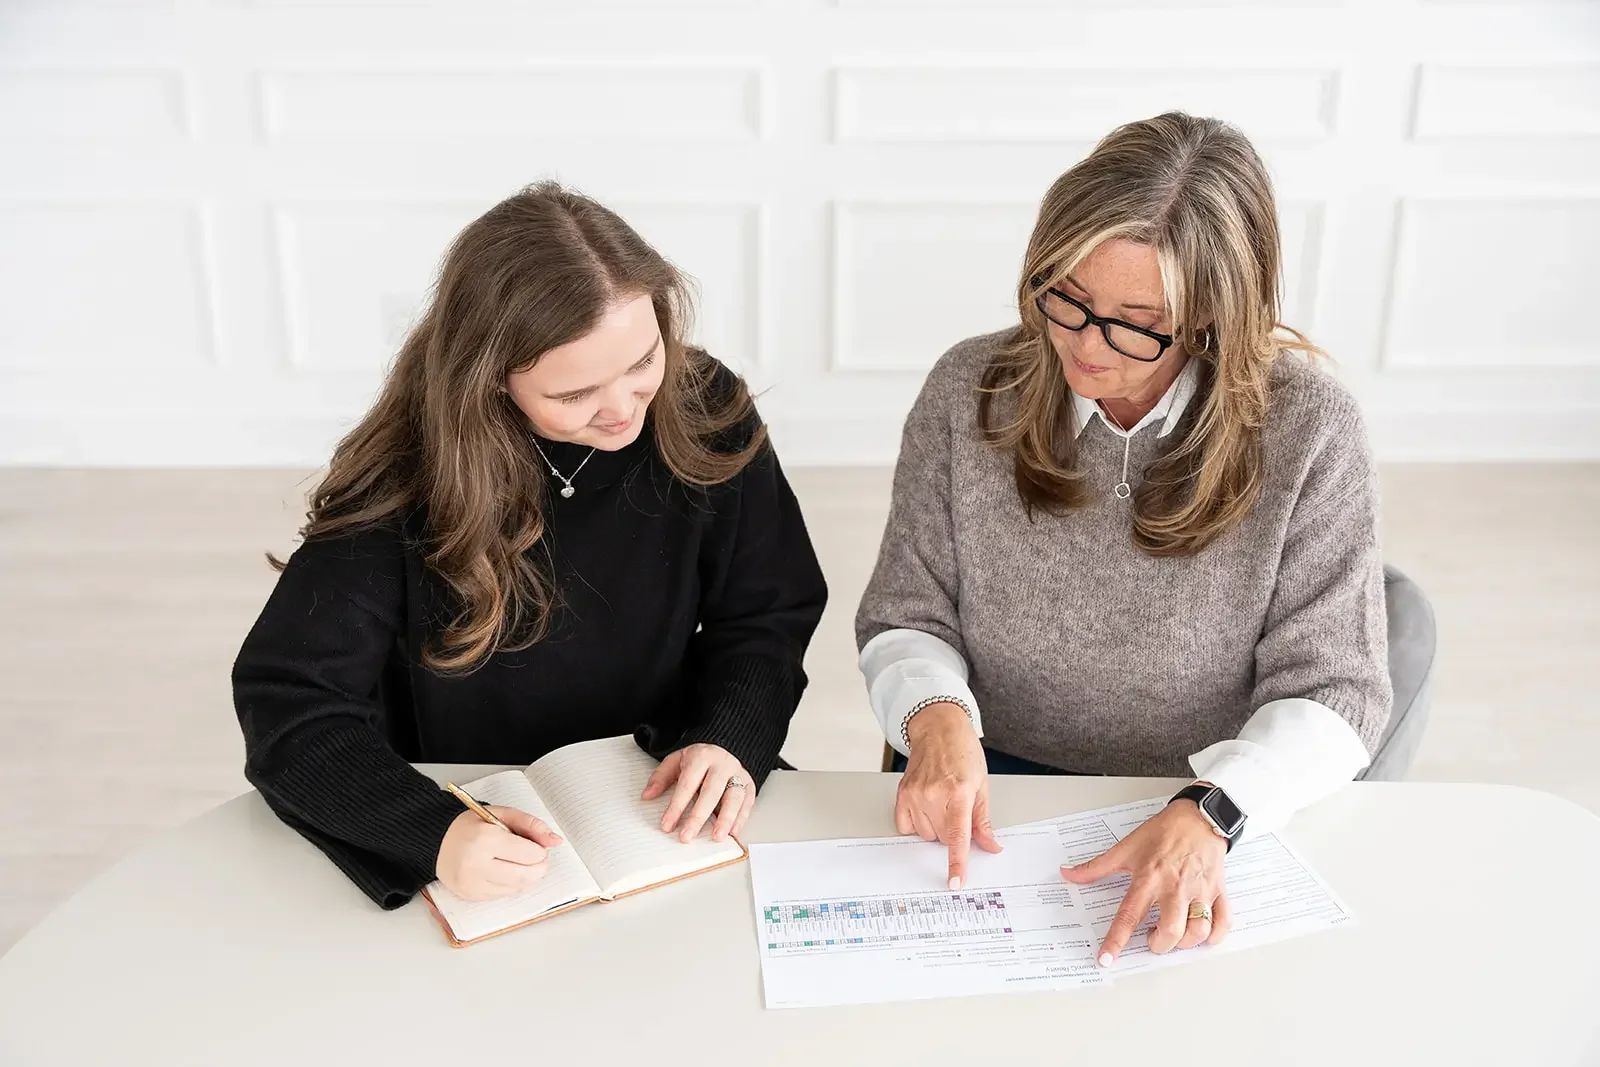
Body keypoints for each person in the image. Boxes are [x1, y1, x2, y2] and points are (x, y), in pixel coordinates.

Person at [856, 112, 1391, 967]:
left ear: (1214, 313)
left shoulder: (1309, 427)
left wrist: (1213, 808)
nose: (1082, 343)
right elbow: (906, 609)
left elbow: (1339, 689)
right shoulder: (971, 388)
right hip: (999, 789)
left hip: (1204, 801)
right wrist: (934, 712)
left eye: (1135, 322)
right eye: (1065, 296)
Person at [233, 182, 827, 910]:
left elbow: (769, 610)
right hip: (476, 800)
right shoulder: (407, 477)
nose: (622, 410)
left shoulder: (704, 408)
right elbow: (289, 704)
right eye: (576, 394)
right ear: (490, 379)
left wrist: (732, 736)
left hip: (669, 786)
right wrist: (435, 832)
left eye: (643, 361)